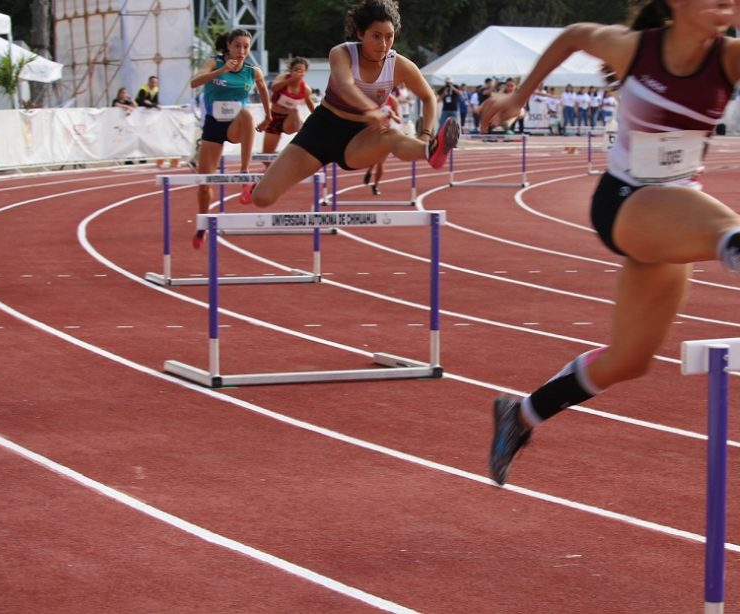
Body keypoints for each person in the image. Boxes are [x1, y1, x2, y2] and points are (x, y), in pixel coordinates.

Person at [480, 0, 740, 487]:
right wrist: (520, 97)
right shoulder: (634, 50)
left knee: (630, 359)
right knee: (728, 232)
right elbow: (574, 34)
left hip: (677, 217)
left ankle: (522, 415)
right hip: (624, 204)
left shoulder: (728, 57)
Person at [250, 0, 459, 209]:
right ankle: (255, 186)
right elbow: (344, 85)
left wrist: (426, 134)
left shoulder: (400, 65)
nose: (383, 44)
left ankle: (430, 151)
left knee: (392, 136)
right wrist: (370, 108)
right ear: (360, 34)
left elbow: (429, 97)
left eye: (389, 37)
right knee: (262, 198)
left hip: (360, 137)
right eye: (376, 36)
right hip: (320, 131)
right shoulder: (342, 53)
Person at [190, 29, 271, 248]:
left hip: (235, 126)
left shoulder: (252, 71)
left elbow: (263, 90)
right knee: (204, 182)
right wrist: (222, 70)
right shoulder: (214, 63)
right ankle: (202, 224)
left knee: (246, 114)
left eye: (246, 46)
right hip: (213, 126)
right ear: (228, 45)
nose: (242, 51)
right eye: (237, 46)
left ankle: (244, 173)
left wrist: (268, 116)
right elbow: (194, 82)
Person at [261, 57, 316, 160]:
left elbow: (310, 104)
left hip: (290, 120)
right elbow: (274, 88)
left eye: (301, 71)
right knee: (266, 157)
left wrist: (317, 117)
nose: (298, 73)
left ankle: (304, 140)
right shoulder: (282, 78)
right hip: (275, 118)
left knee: (294, 111)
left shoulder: (306, 89)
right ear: (291, 70)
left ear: (305, 73)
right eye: (296, 70)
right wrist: (290, 80)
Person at [363, 92, 401, 194]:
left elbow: (399, 120)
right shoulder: (373, 98)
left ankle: (375, 185)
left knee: (381, 162)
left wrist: (392, 115)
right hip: (374, 133)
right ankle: (369, 171)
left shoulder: (393, 101)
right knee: (374, 158)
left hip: (386, 134)